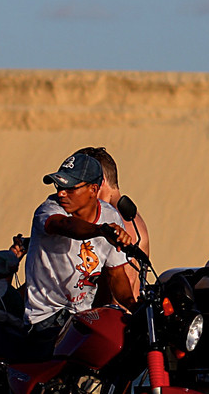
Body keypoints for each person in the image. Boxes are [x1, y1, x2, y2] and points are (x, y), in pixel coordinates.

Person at [22, 151, 139, 346]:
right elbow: (66, 226)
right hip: (45, 320)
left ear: (93, 189)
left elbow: (116, 275)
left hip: (82, 318)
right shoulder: (49, 209)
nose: (61, 193)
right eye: (59, 186)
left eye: (69, 188)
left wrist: (135, 307)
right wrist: (100, 230)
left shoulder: (110, 216)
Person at [72, 146, 150, 259]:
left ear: (99, 181)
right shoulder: (128, 216)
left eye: (80, 182)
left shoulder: (123, 222)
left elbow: (128, 276)